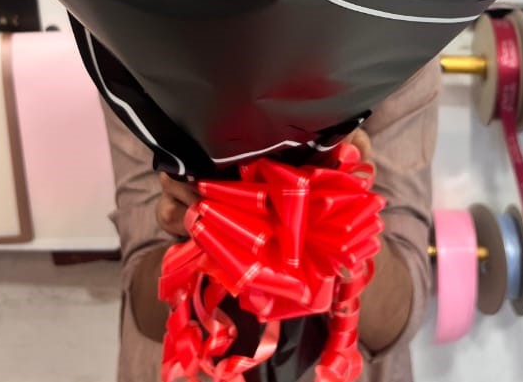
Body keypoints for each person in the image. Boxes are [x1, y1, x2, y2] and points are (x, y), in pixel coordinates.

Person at [103, 57, 440, 382]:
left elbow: (398, 320)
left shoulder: (403, 41)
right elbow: (145, 312)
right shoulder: (133, 48)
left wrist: (336, 204)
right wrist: (207, 220)